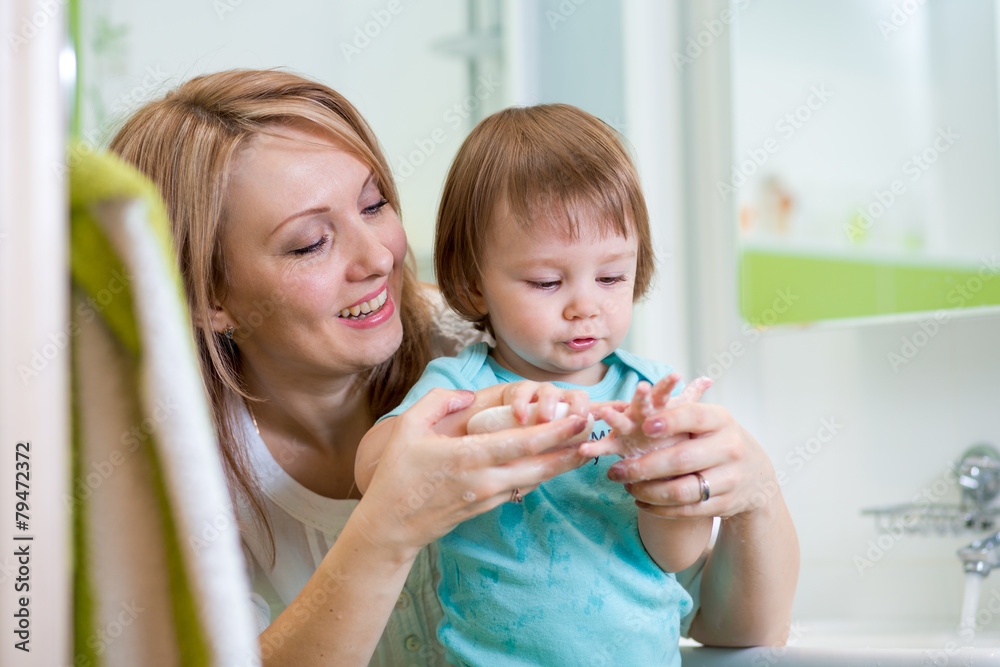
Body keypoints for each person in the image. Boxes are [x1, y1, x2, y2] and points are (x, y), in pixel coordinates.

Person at [110, 69, 798, 666]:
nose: (379, 258)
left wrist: (752, 487)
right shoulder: (171, 473)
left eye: (374, 204)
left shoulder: (493, 343)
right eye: (311, 242)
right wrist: (391, 522)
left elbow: (729, 625)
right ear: (209, 298)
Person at [357, 103, 716, 666]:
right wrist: (488, 411)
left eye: (611, 277)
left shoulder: (647, 397)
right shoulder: (462, 383)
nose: (585, 306)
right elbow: (373, 471)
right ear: (474, 285)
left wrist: (655, 469)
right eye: (547, 282)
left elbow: (677, 556)